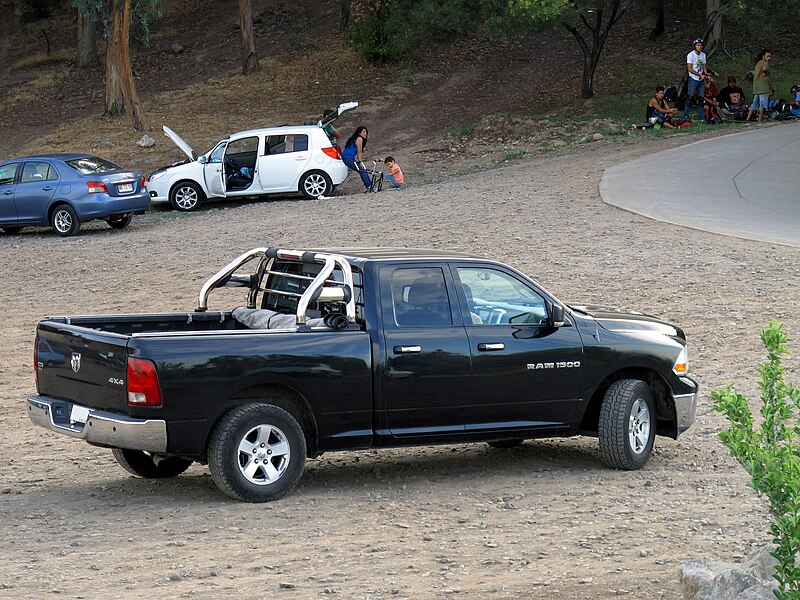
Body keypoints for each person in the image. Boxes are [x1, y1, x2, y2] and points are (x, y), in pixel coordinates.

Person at [684, 38, 709, 122]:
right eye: (698, 45)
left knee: (701, 98)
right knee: (690, 97)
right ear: (695, 46)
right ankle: (686, 115)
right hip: (693, 78)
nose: (699, 47)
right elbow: (689, 69)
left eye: (701, 45)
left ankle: (701, 117)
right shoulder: (690, 55)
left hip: (701, 78)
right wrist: (699, 75)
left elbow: (704, 66)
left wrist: (705, 74)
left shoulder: (703, 55)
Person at [341, 126, 373, 192]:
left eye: (366, 132)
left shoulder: (355, 138)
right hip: (348, 158)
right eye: (364, 132)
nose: (365, 133)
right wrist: (360, 161)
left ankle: (371, 185)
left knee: (362, 170)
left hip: (348, 157)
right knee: (361, 170)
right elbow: (359, 151)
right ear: (359, 133)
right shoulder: (359, 139)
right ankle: (369, 186)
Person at [746, 50, 773, 123]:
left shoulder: (758, 63)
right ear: (763, 56)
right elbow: (765, 71)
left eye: (770, 56)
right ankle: (760, 120)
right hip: (763, 87)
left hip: (756, 87)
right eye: (768, 56)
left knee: (754, 103)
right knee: (763, 104)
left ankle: (748, 119)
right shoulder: (765, 64)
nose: (769, 58)